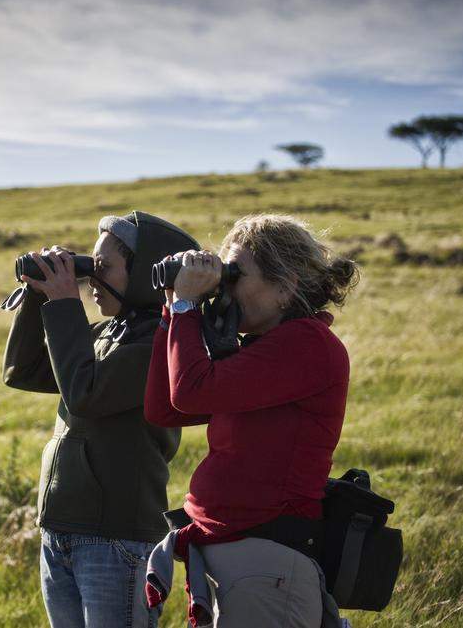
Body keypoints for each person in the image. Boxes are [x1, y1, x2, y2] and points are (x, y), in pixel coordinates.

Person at [144, 213, 359, 627]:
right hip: (240, 560)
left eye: (234, 274)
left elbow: (191, 391)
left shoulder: (307, 345)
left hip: (267, 565)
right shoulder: (263, 348)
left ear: (285, 286)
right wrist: (174, 309)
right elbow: (166, 408)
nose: (224, 286)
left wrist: (189, 307)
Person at [2, 211, 199, 628]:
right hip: (61, 528)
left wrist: (64, 303)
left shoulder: (159, 343)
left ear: (147, 274)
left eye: (103, 267)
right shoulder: (105, 334)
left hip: (116, 537)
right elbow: (22, 372)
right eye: (89, 266)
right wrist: (39, 296)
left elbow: (85, 394)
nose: (91, 280)